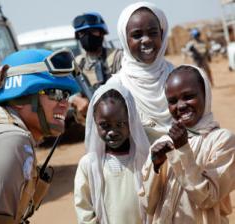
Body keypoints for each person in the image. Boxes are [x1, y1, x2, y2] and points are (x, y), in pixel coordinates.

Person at [0, 49, 80, 223]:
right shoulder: (9, 139)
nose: (64, 103)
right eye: (55, 93)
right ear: (21, 97)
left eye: (66, 95)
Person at [139, 65, 235, 223]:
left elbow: (207, 198)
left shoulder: (222, 141)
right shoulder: (164, 143)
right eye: (172, 101)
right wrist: (155, 166)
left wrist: (183, 149)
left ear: (206, 94)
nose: (181, 105)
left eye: (189, 96)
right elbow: (148, 204)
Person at [74, 82, 150, 223]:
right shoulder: (89, 164)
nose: (112, 132)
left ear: (131, 121)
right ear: (95, 122)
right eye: (104, 125)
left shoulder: (145, 160)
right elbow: (84, 210)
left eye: (120, 124)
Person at [107, 1, 174, 144]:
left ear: (162, 34)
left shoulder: (178, 77)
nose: (146, 40)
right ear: (125, 39)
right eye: (137, 35)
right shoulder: (117, 87)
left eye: (153, 33)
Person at [71, 12, 123, 124]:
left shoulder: (117, 56)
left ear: (102, 33)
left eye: (93, 32)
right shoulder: (76, 63)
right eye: (82, 33)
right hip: (93, 125)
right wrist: (76, 99)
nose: (88, 36)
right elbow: (67, 90)